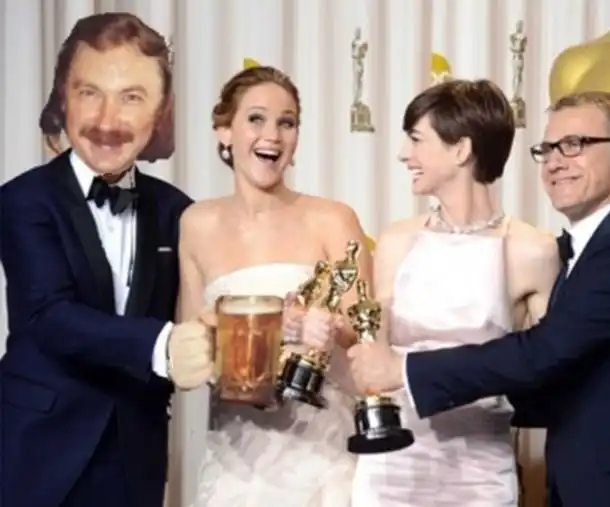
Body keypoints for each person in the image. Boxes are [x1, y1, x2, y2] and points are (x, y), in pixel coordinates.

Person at [347, 90, 610, 507]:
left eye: (574, 145)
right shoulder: (589, 249)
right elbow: (553, 379)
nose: (555, 161)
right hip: (411, 464)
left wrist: (405, 369)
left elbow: (542, 353)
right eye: (547, 149)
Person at [0, 13, 213, 507]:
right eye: (89, 92)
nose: (106, 120)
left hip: (135, 459)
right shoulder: (22, 200)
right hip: (36, 454)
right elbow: (48, 317)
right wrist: (162, 345)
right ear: (63, 98)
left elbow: (204, 308)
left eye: (131, 97)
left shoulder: (178, 211)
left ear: (160, 110)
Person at [349, 79, 559, 507]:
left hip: (480, 473)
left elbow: (550, 370)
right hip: (394, 467)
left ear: (461, 150)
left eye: (416, 140)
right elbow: (373, 354)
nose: (404, 154)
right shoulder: (396, 241)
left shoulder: (532, 249)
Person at [176, 65, 371, 507]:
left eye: (287, 123)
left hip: (323, 457)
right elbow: (192, 348)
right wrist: (259, 334)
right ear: (224, 131)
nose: (273, 136)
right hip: (235, 462)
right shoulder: (196, 224)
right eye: (256, 119)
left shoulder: (333, 219)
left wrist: (322, 327)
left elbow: (366, 337)